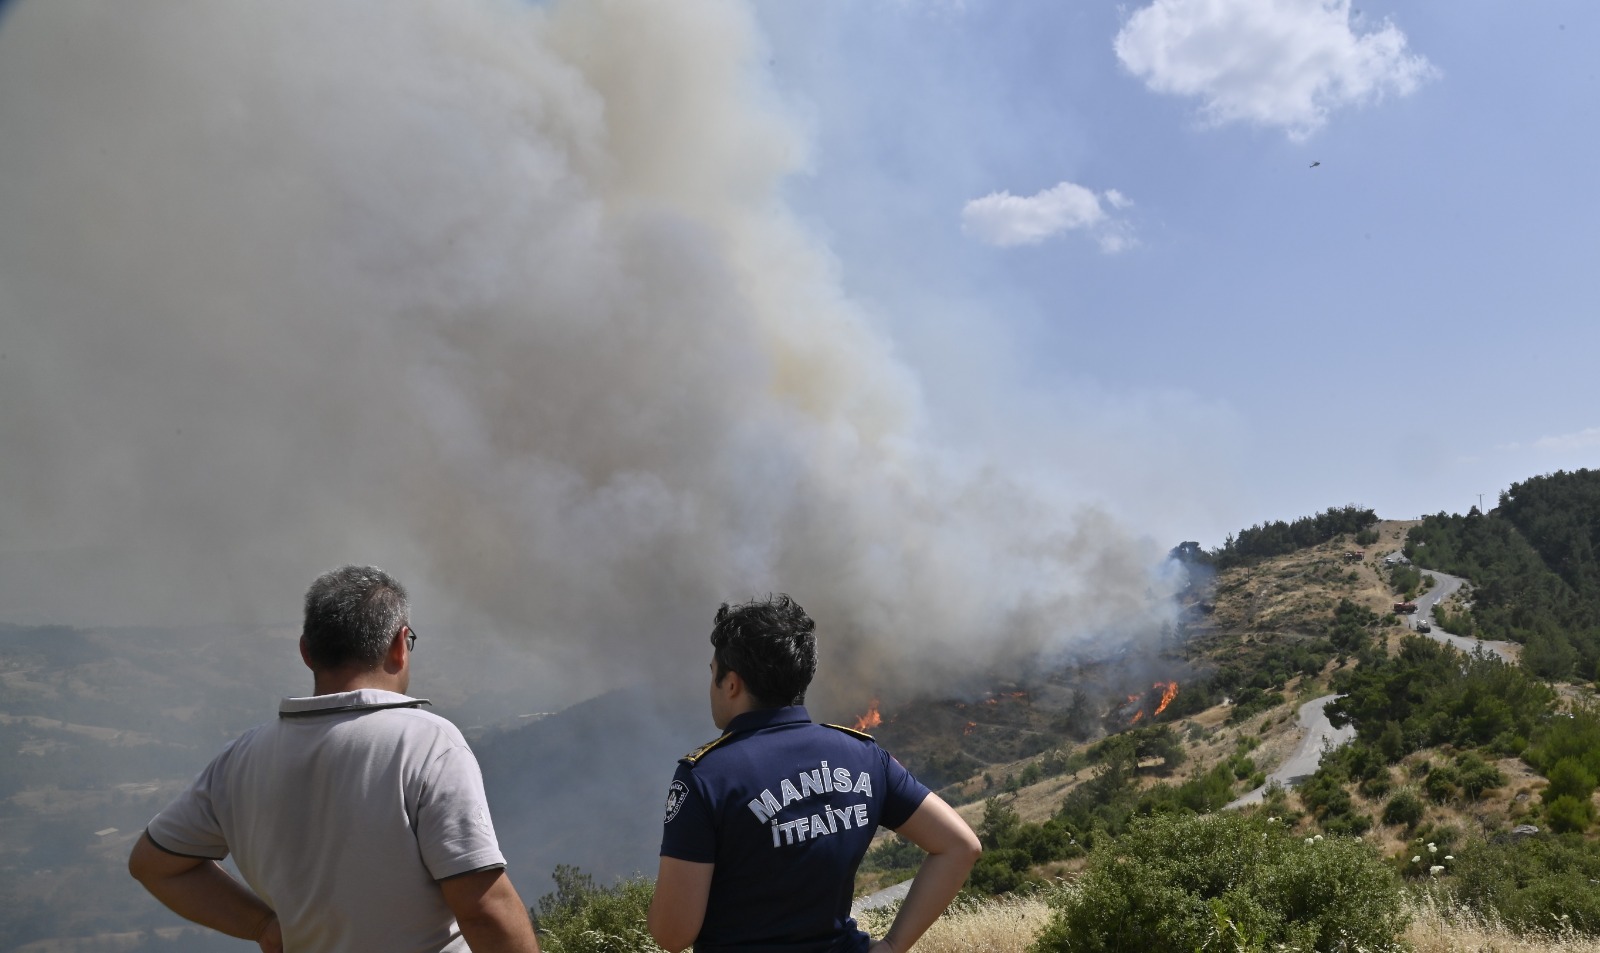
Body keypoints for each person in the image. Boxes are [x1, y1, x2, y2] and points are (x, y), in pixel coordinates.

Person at [128, 565, 540, 953]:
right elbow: (484, 911)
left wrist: (263, 927)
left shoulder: (240, 757)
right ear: (400, 645)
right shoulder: (427, 742)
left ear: (307, 652)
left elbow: (153, 864)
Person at [648, 595, 980, 953]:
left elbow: (673, 935)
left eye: (713, 673)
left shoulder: (705, 777)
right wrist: (893, 945)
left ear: (732, 684)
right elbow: (960, 846)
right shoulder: (864, 756)